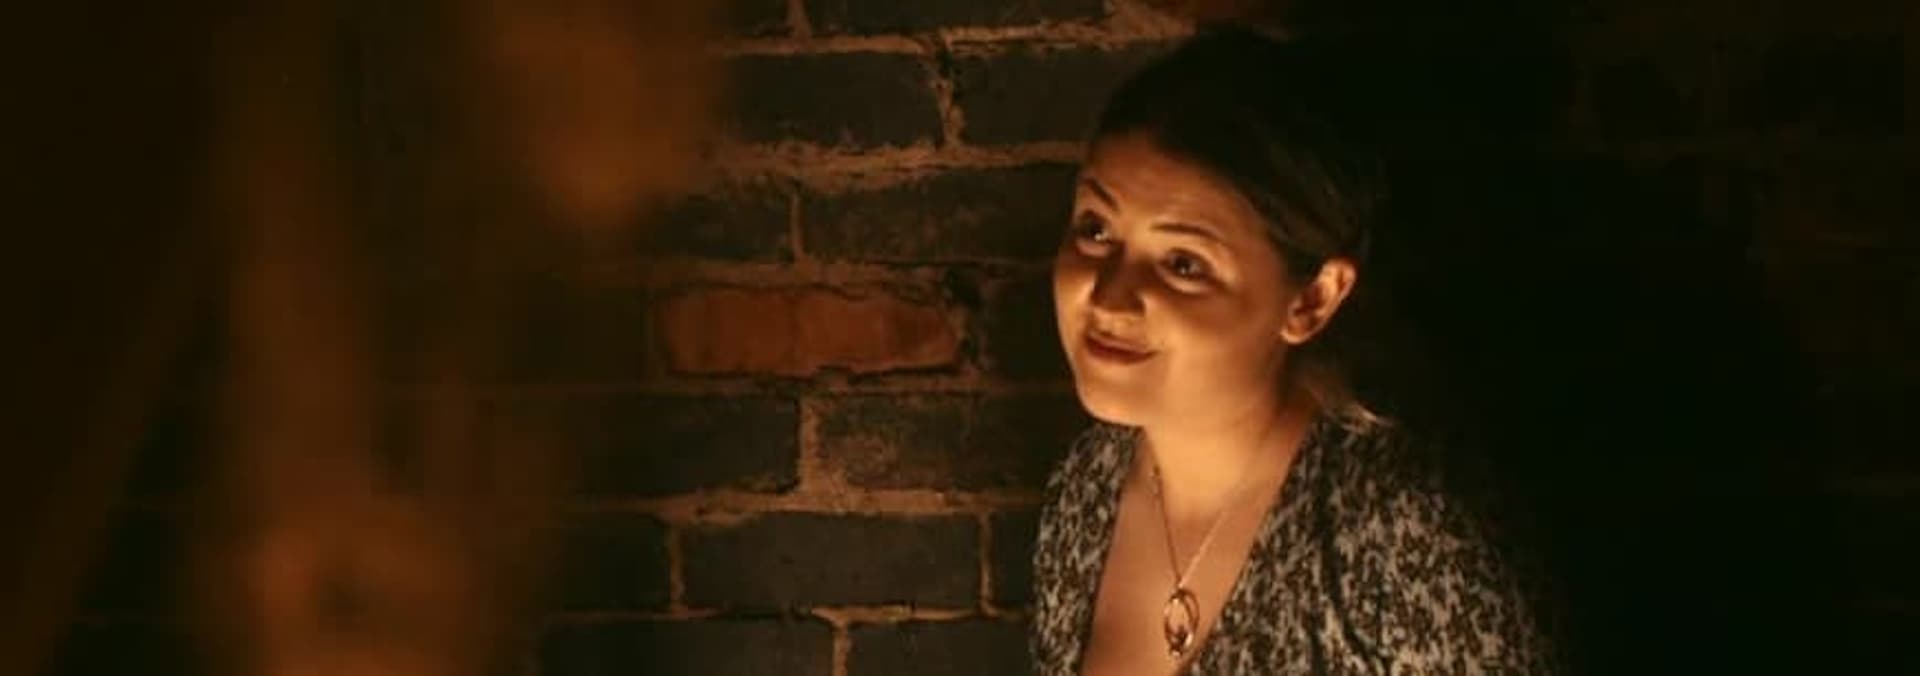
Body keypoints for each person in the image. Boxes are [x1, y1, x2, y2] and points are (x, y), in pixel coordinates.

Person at [1030, 26, 1558, 675]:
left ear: (1312, 300)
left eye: (1183, 264)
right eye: (1095, 230)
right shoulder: (1086, 487)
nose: (1109, 296)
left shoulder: (1402, 537)